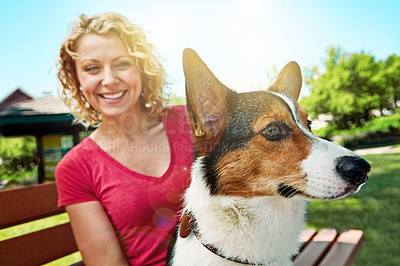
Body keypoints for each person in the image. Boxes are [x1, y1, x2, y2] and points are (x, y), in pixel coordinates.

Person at [55, 12, 193, 266]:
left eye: (121, 64)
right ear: (77, 79)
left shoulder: (188, 121)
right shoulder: (76, 167)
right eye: (92, 68)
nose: (109, 80)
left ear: (142, 67)